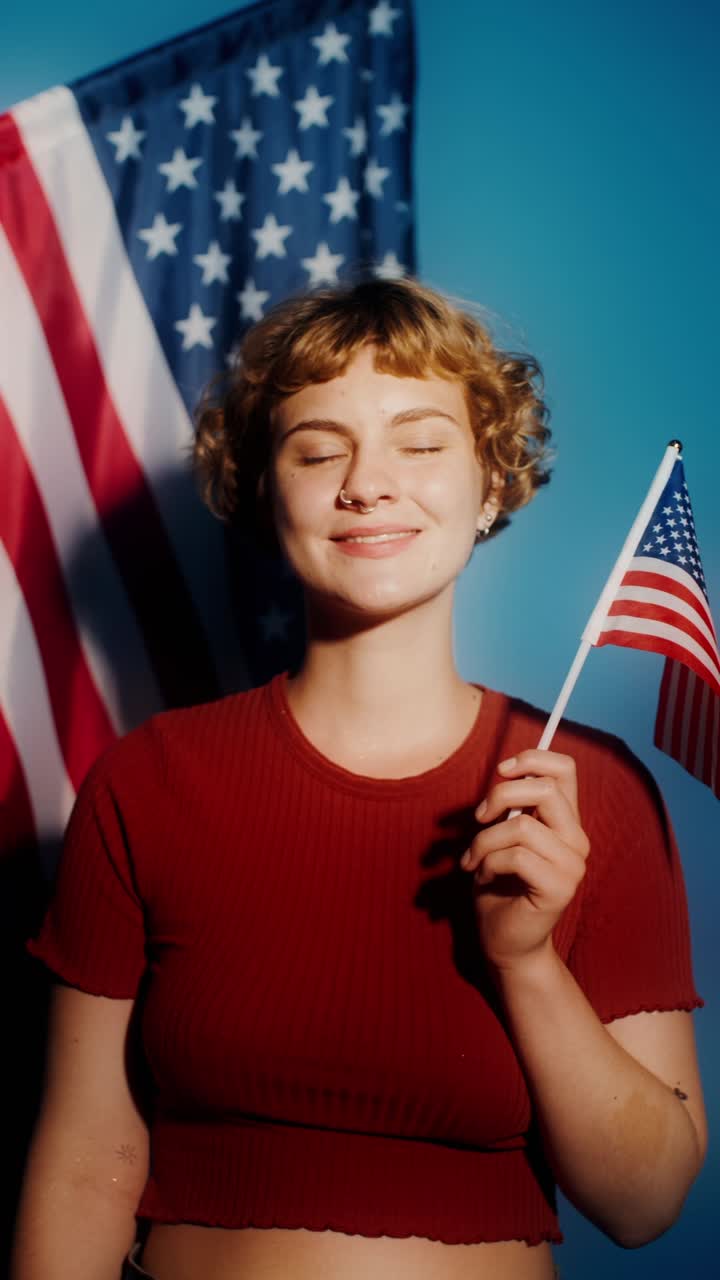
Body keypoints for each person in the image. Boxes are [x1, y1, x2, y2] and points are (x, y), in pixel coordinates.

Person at [13, 278, 706, 1280]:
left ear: (494, 482)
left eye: (421, 443)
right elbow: (85, 1164)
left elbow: (645, 1205)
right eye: (319, 448)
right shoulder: (149, 781)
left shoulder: (592, 792)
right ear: (266, 488)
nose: (368, 483)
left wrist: (528, 962)